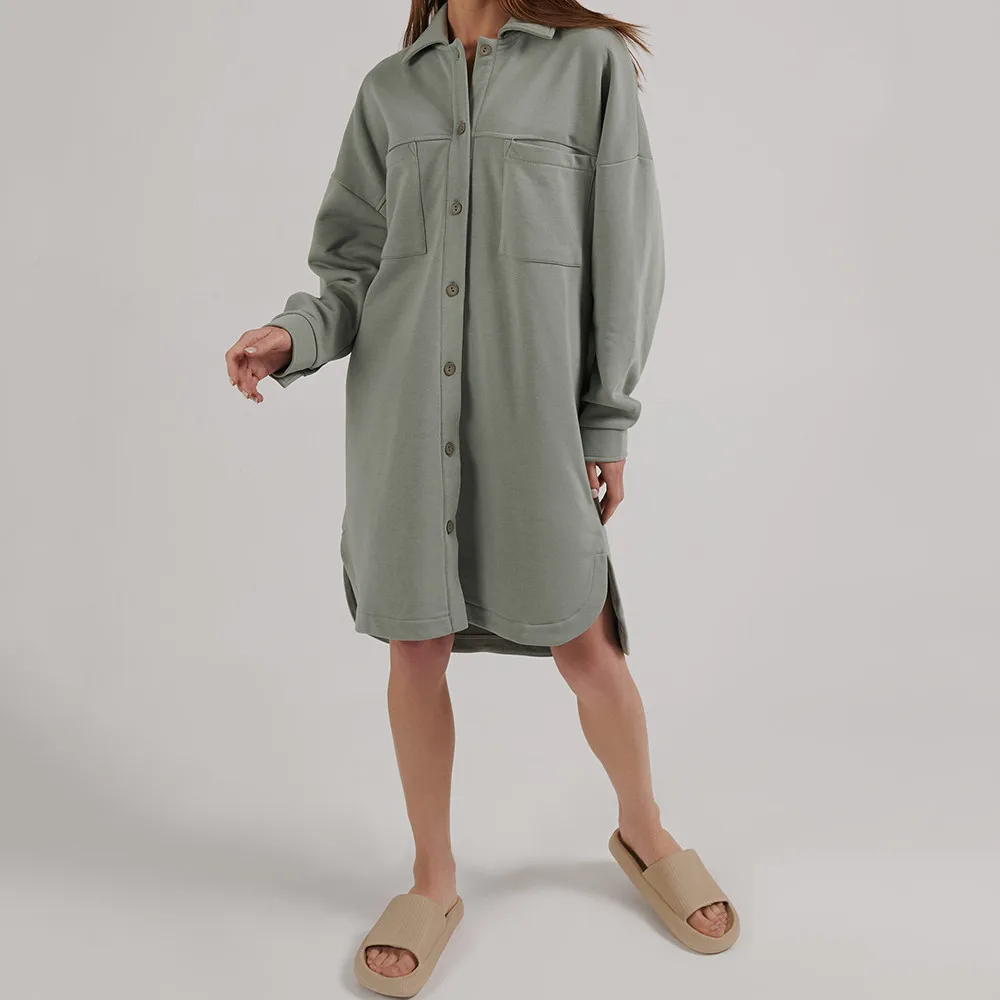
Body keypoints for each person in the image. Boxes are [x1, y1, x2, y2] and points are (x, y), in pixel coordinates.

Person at [225, 1, 739, 993]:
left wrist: (606, 417)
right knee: (415, 645)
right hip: (405, 420)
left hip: (533, 412)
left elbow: (627, 249)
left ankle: (644, 829)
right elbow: (351, 269)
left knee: (583, 639)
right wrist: (293, 336)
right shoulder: (389, 90)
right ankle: (433, 877)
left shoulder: (588, 66)